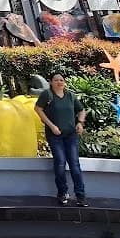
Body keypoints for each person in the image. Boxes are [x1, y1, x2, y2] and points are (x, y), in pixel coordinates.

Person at [34, 73, 88, 207]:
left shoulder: (70, 96)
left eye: (61, 80)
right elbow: (38, 109)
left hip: (71, 135)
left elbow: (81, 110)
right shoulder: (47, 95)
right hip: (55, 135)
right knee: (60, 163)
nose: (59, 82)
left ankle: (80, 196)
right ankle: (62, 193)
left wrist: (80, 123)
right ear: (51, 82)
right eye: (56, 80)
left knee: (75, 164)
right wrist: (51, 126)